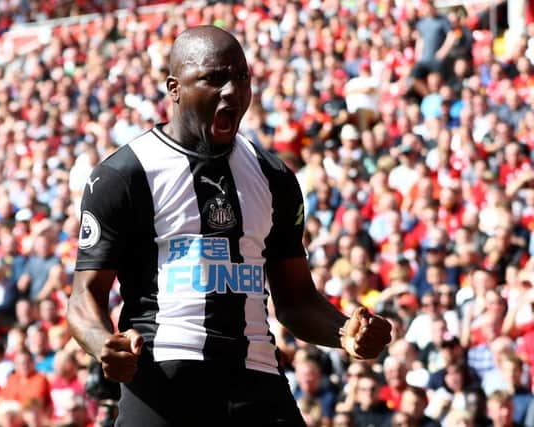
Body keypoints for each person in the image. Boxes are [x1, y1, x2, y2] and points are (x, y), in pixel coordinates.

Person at [67, 25, 391, 426]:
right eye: (213, 78)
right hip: (164, 377)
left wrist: (344, 333)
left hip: (256, 377)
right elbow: (85, 296)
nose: (232, 91)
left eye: (241, 77)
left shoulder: (273, 176)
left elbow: (295, 299)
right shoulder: (124, 175)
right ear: (174, 87)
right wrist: (104, 345)